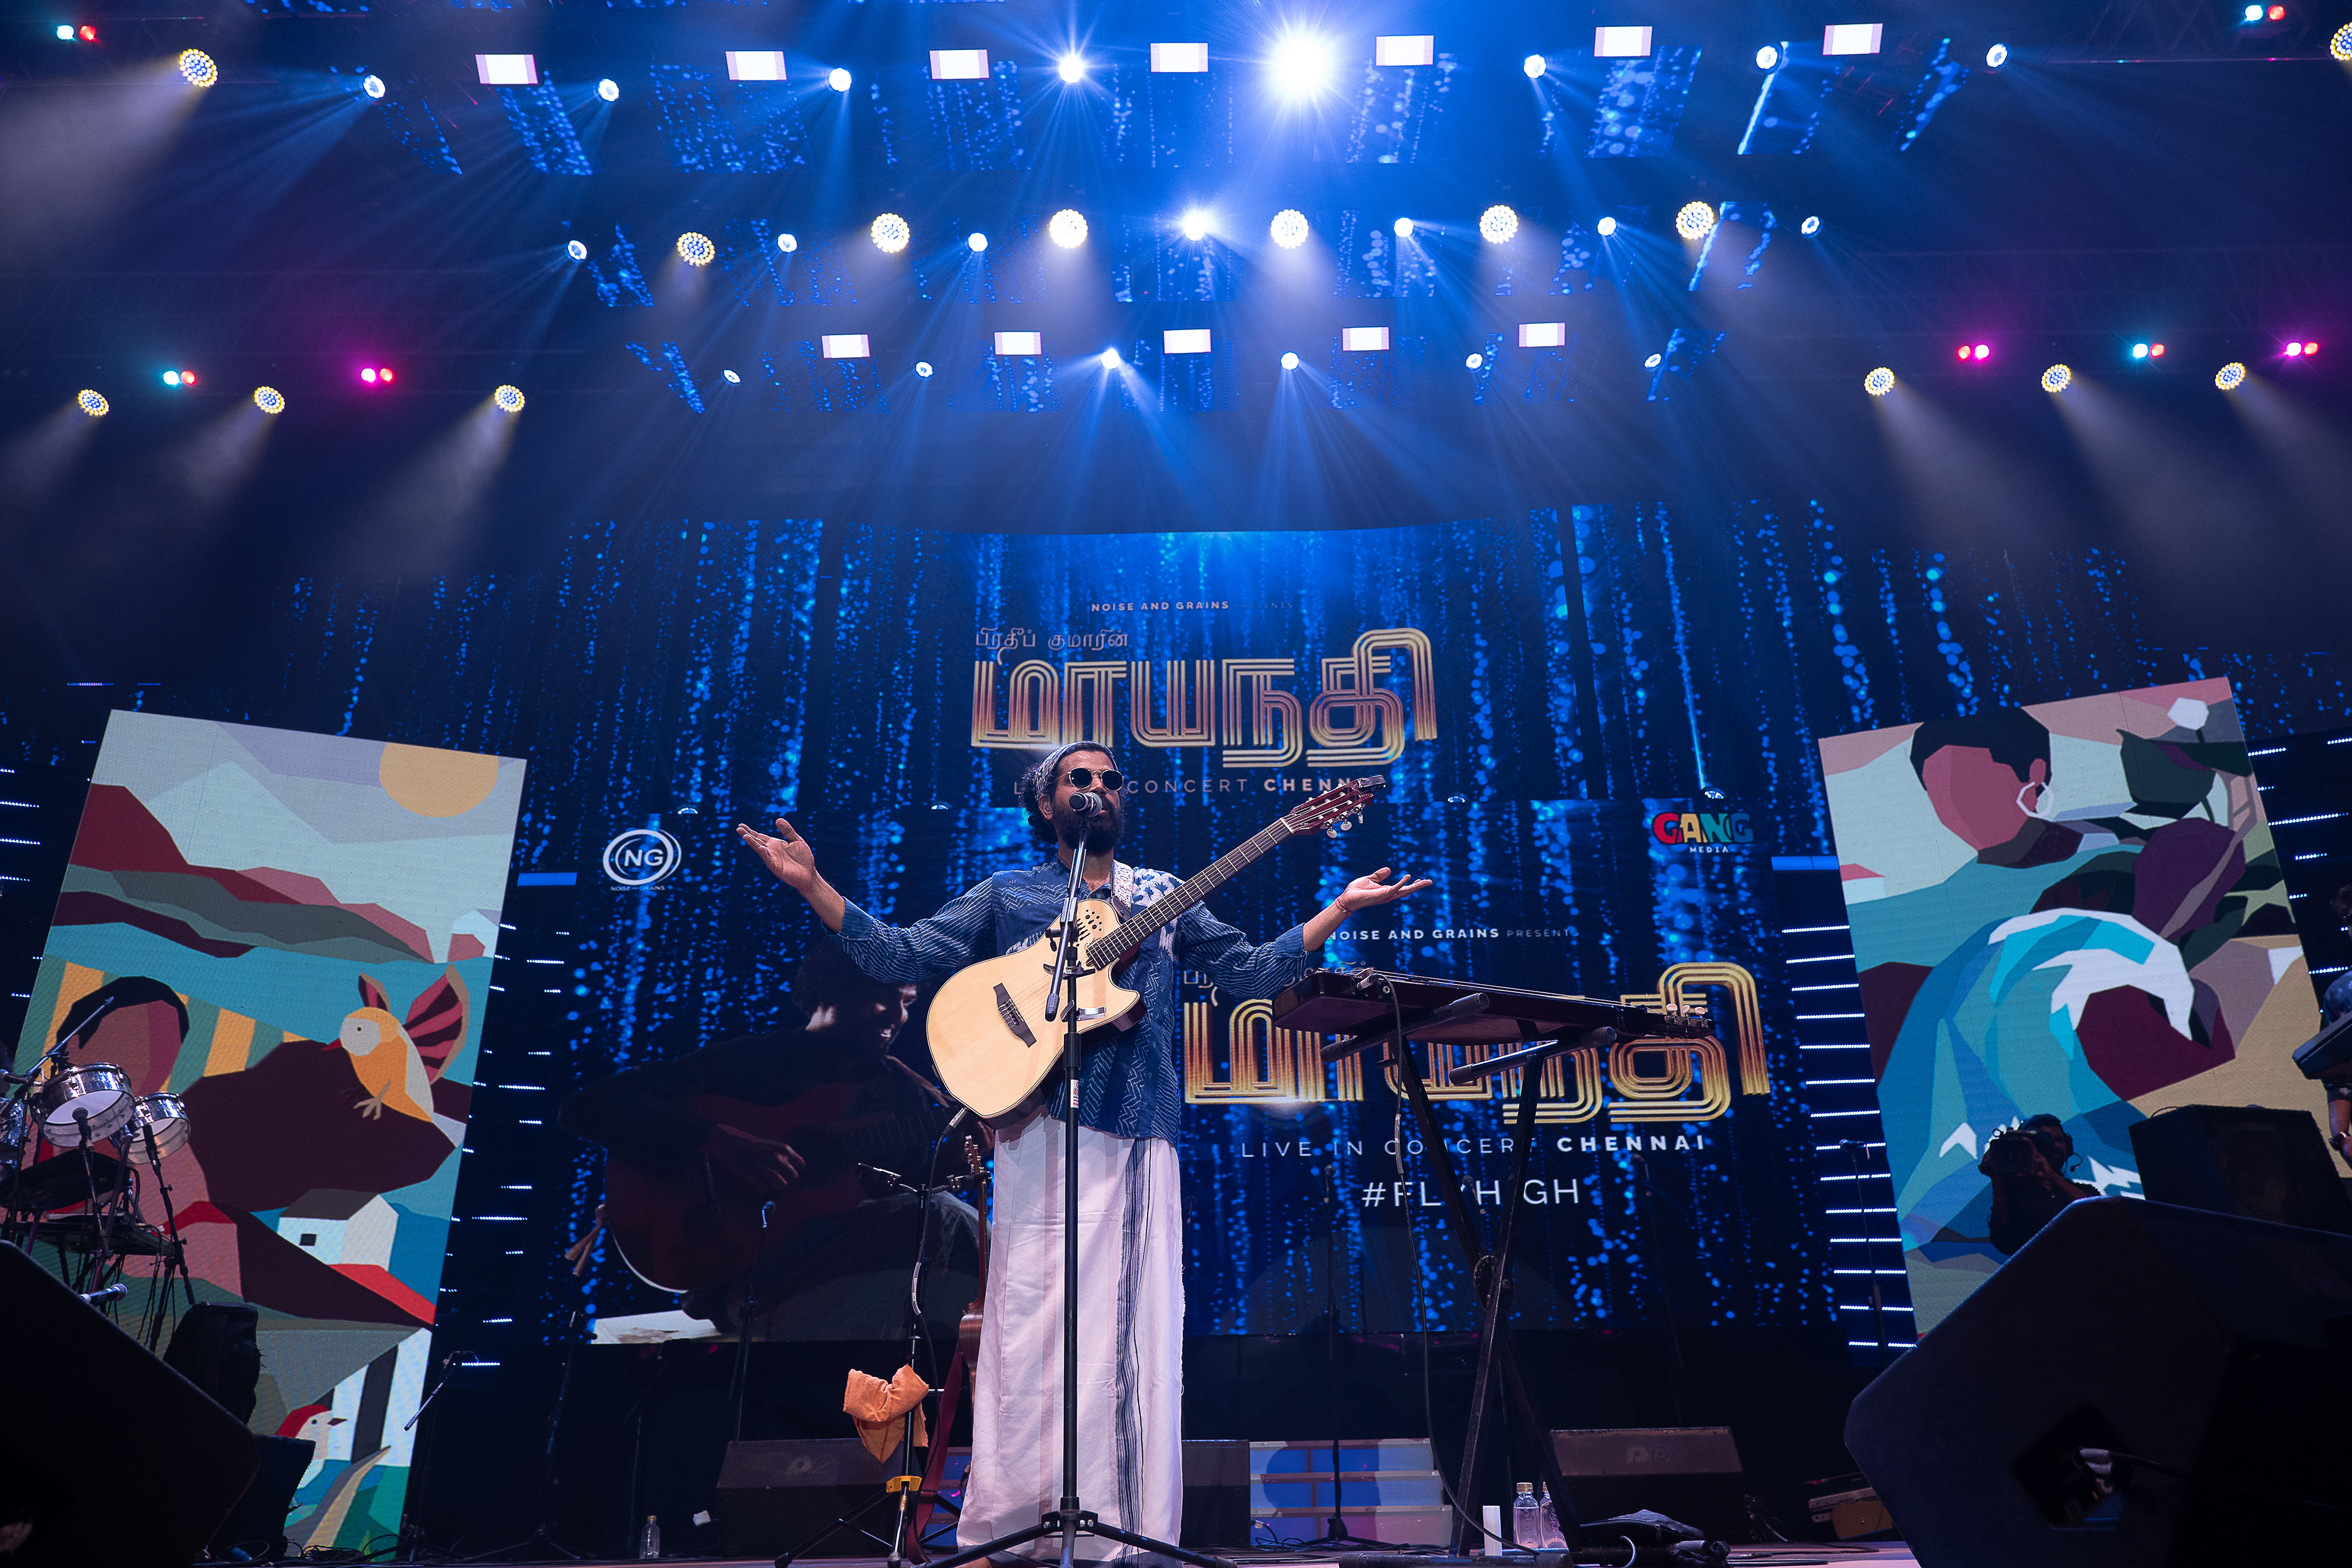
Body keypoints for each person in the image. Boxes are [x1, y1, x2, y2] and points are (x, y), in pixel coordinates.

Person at [733, 740, 1427, 1560]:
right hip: (1035, 1127)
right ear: (1047, 802)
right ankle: (1019, 1520)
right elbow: (903, 954)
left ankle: (1117, 1526)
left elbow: (1249, 974)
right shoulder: (1010, 893)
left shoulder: (1160, 895)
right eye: (1079, 778)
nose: (1097, 788)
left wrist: (1337, 909)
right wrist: (813, 885)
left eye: (1110, 779)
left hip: (1133, 1126)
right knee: (1029, 1325)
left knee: (1126, 1329)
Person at [560, 940, 981, 1339]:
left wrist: (955, 1161)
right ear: (831, 989)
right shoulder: (756, 1061)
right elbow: (590, 1106)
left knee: (954, 1222)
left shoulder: (906, 1093)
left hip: (852, 1274)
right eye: (883, 997)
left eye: (906, 1002)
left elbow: (906, 1199)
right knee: (946, 1218)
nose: (898, 1015)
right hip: (744, 1279)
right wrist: (719, 1143)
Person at [1978, 1114, 2098, 1256]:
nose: (2054, 1145)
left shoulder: (2084, 1191)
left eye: (2059, 1140)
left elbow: (2102, 1214)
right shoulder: (2014, 1197)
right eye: (2046, 1141)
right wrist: (1997, 1178)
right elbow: (2005, 1243)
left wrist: (2052, 1177)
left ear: (2068, 1147)